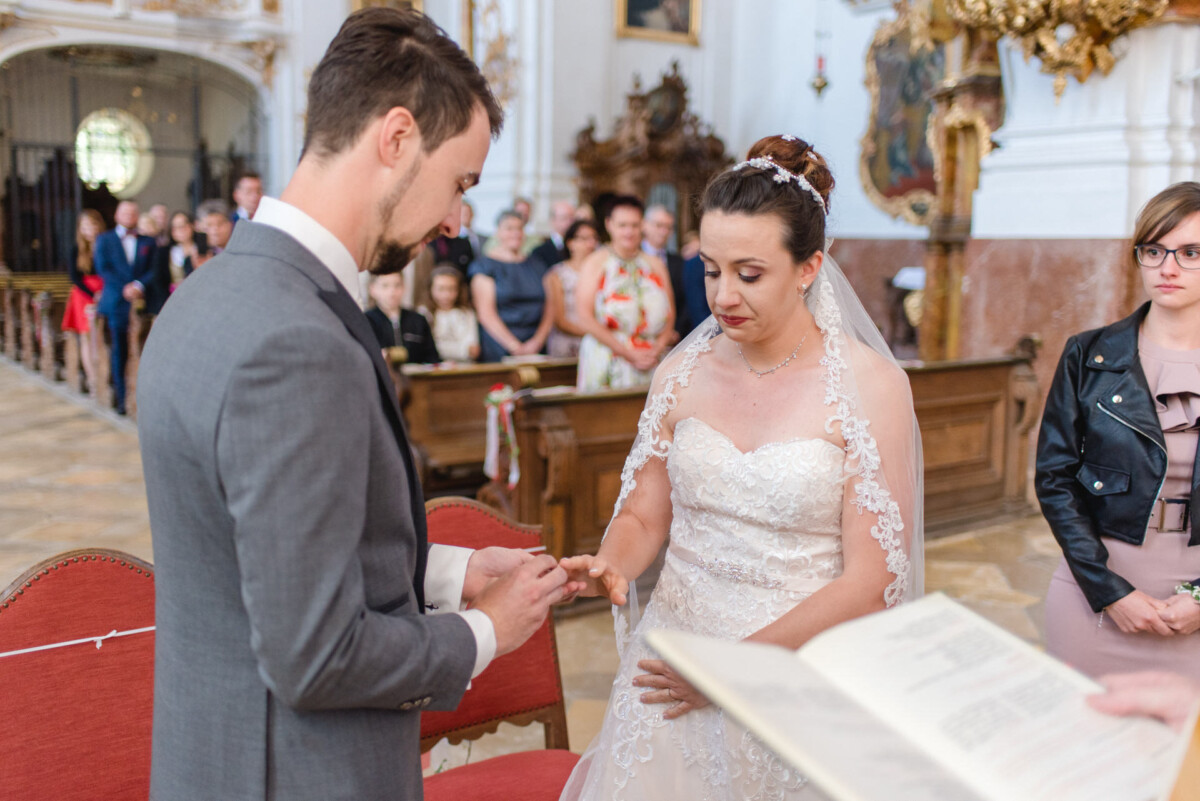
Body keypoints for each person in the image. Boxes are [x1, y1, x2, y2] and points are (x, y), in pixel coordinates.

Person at [136, 9, 578, 801]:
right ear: (397, 136)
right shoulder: (296, 340)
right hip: (300, 773)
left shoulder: (210, 292)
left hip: (219, 756)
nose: (454, 221)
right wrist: (487, 630)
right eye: (460, 183)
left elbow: (267, 556)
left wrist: (456, 570)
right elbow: (317, 653)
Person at [557, 135, 924, 800]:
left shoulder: (869, 387)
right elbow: (645, 510)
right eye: (709, 270)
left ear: (809, 267)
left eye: (749, 274)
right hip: (670, 668)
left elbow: (874, 579)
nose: (723, 296)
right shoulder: (680, 372)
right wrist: (614, 560)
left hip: (797, 669)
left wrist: (730, 667)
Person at [1037, 182, 1200, 682]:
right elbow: (1055, 479)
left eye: (1190, 252)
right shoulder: (1089, 355)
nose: (1167, 268)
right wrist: (1109, 590)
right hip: (1095, 590)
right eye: (1154, 250)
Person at [574, 196, 674, 391]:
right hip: (608, 356)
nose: (629, 232)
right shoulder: (595, 262)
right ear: (609, 224)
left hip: (651, 359)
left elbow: (670, 315)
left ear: (643, 225)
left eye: (635, 225)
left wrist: (656, 350)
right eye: (622, 225)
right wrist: (627, 352)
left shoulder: (655, 264)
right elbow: (584, 316)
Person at [93, 199, 157, 416]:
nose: (129, 216)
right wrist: (125, 288)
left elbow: (154, 269)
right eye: (125, 213)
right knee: (119, 350)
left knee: (145, 350)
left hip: (143, 301)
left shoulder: (149, 241)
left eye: (133, 213)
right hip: (116, 302)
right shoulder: (105, 239)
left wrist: (138, 285)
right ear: (117, 216)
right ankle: (121, 398)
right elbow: (103, 268)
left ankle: (145, 398)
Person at [469, 209, 553, 361]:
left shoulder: (537, 265)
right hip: (499, 344)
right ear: (498, 232)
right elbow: (486, 313)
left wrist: (537, 341)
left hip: (535, 343)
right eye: (509, 228)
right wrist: (514, 346)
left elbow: (550, 307)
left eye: (520, 228)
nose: (516, 233)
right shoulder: (485, 266)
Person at [61, 209, 106, 395]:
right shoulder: (76, 249)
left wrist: (103, 292)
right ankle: (92, 379)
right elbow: (75, 277)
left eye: (93, 224)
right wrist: (92, 294)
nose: (90, 229)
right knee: (86, 337)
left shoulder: (106, 244)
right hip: (83, 294)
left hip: (105, 290)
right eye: (85, 226)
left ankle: (104, 375)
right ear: (80, 229)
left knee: (102, 336)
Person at [544, 219, 599, 358]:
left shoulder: (602, 271)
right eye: (585, 238)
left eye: (594, 238)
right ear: (570, 243)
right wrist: (595, 334)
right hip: (568, 343)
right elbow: (559, 320)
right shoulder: (558, 275)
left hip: (598, 342)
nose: (591, 243)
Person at [365, 271, 440, 364]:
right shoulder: (366, 320)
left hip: (417, 377)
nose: (392, 291)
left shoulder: (418, 319)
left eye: (397, 285)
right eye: (385, 286)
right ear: (372, 289)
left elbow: (432, 358)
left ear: (404, 287)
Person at [642, 203, 692, 339]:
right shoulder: (632, 259)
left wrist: (676, 331)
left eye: (669, 227)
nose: (664, 232)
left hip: (671, 338)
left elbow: (685, 300)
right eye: (659, 225)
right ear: (645, 225)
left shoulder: (679, 262)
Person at [421, 264, 479, 361]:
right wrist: (462, 350)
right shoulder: (423, 313)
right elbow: (425, 349)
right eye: (441, 289)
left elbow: (473, 351)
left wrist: (439, 347)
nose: (446, 295)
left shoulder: (466, 313)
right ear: (430, 289)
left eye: (451, 289)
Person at [531, 198, 577, 268]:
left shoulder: (579, 248)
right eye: (564, 218)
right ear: (553, 220)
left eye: (572, 218)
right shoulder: (540, 252)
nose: (569, 222)